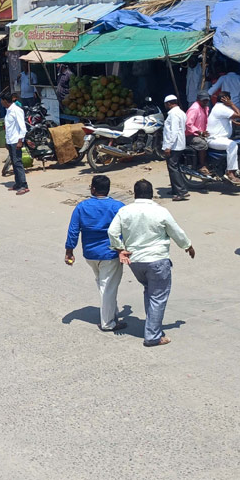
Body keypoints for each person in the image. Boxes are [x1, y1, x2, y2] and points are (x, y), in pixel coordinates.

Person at [107, 179, 195, 347]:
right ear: (152, 193)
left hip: (136, 261)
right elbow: (176, 231)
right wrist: (187, 246)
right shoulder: (160, 211)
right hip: (157, 261)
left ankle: (151, 326)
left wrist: (119, 248)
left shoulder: (125, 211)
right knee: (158, 296)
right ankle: (153, 336)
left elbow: (112, 232)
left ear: (135, 194)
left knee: (150, 291)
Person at [65, 175, 126, 331]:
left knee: (103, 283)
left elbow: (73, 230)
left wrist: (69, 251)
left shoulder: (82, 207)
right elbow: (127, 230)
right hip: (110, 254)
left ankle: (112, 311)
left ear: (93, 189)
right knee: (108, 287)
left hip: (90, 254)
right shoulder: (118, 206)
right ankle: (108, 323)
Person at [207, 91, 240, 183]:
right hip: (215, 139)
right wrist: (232, 104)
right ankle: (230, 172)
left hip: (221, 139)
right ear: (226, 99)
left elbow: (235, 121)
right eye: (229, 98)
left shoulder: (222, 108)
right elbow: (239, 115)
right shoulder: (221, 108)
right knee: (232, 145)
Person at [0, 93, 29, 194]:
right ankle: (18, 183)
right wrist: (6, 141)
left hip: (16, 141)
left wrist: (20, 141)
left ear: (5, 101)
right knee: (14, 162)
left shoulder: (17, 110)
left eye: (2, 100)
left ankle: (24, 186)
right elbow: (9, 128)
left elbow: (22, 127)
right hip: (10, 140)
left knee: (18, 163)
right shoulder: (8, 111)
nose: (1, 102)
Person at [162, 94, 189, 201]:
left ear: (169, 104)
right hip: (179, 144)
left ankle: (181, 192)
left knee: (173, 168)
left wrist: (168, 146)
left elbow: (173, 131)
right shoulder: (181, 112)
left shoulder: (173, 114)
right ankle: (175, 189)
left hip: (174, 145)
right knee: (174, 167)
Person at [185, 93, 210, 173]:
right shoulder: (194, 109)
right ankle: (201, 165)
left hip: (201, 133)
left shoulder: (205, 108)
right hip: (190, 135)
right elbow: (188, 124)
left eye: (207, 100)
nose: (205, 102)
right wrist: (200, 132)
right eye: (204, 100)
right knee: (202, 144)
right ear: (198, 100)